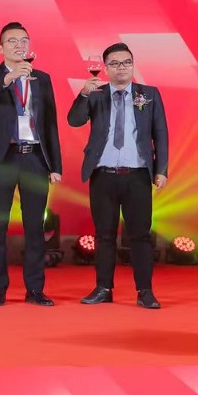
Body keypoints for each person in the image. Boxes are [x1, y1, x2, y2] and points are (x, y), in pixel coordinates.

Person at [68, 43, 169, 310]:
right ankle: (103, 288)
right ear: (105, 68)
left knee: (140, 236)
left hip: (137, 176)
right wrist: (83, 94)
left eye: (126, 62)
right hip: (103, 175)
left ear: (133, 66)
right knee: (104, 236)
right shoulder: (96, 94)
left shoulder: (148, 94)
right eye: (114, 63)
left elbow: (160, 133)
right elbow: (74, 120)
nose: (121, 67)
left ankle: (145, 291)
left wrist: (161, 170)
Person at [0, 22, 62, 306]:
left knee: (35, 226)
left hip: (35, 157)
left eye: (24, 40)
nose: (19, 45)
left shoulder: (42, 79)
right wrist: (11, 76)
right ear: (1, 48)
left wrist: (55, 165)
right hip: (3, 157)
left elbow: (50, 123)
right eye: (12, 41)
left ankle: (35, 289)